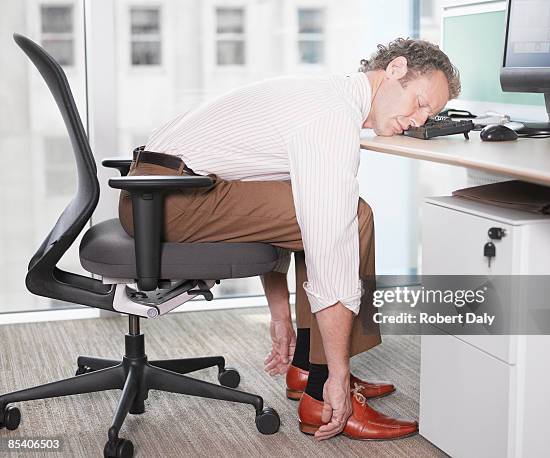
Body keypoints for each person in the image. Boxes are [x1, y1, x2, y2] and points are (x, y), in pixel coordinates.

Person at [118, 37, 460, 441]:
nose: (420, 120)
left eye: (430, 114)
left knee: (325, 211)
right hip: (168, 201)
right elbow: (328, 241)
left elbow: (276, 211)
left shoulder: (326, 95)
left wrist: (280, 315)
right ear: (396, 70)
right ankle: (323, 393)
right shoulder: (330, 117)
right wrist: (337, 374)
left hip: (159, 192)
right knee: (347, 216)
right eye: (420, 103)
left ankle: (304, 367)